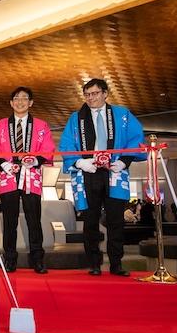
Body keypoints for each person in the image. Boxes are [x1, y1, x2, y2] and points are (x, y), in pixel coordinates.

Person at [59, 78, 145, 276]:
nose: (91, 98)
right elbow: (66, 144)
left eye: (95, 93)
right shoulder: (76, 118)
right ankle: (94, 263)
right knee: (90, 220)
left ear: (105, 93)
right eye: (87, 95)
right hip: (88, 173)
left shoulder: (122, 114)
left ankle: (116, 263)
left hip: (115, 170)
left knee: (116, 219)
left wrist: (124, 161)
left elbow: (136, 138)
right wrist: (81, 162)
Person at [0, 87, 55, 273]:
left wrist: (35, 160)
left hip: (32, 176)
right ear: (11, 102)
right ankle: (10, 258)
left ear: (30, 102)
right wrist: (3, 164)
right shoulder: (1, 125)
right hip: (8, 176)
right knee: (9, 220)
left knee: (34, 219)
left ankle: (37, 259)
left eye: (24, 98)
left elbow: (48, 149)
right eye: (16, 98)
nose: (20, 101)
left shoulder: (41, 125)